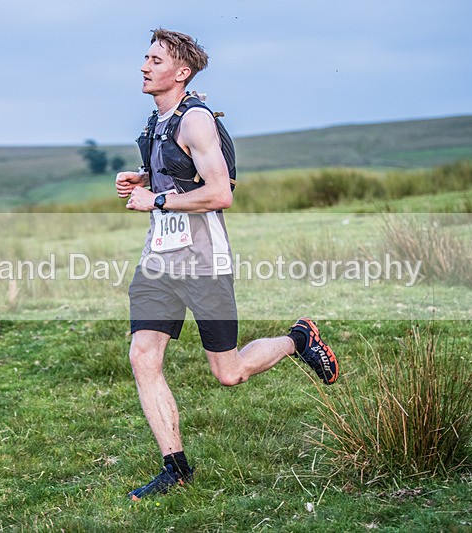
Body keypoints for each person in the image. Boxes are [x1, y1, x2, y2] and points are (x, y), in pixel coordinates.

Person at [115, 28, 339, 501]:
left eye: (155, 60)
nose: (144, 66)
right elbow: (178, 174)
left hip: (203, 262)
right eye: (146, 58)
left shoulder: (196, 121)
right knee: (142, 356)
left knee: (229, 372)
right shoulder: (157, 120)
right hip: (158, 261)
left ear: (182, 73)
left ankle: (298, 340)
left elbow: (220, 193)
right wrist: (142, 178)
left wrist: (155, 199)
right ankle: (175, 468)